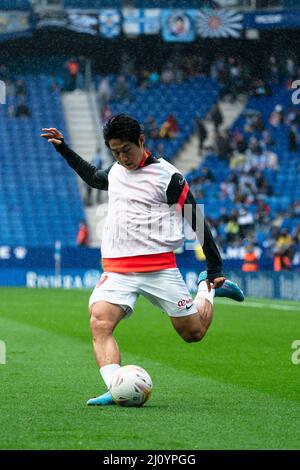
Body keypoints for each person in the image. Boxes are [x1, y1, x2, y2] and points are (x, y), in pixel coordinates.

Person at [41, 115, 244, 406]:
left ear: (141, 141)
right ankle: (117, 388)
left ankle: (206, 290)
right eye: (115, 152)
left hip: (159, 268)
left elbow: (197, 220)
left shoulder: (168, 177)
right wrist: (63, 148)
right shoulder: (116, 171)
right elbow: (92, 176)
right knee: (99, 322)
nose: (122, 158)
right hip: (118, 268)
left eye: (126, 149)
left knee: (193, 334)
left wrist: (214, 269)